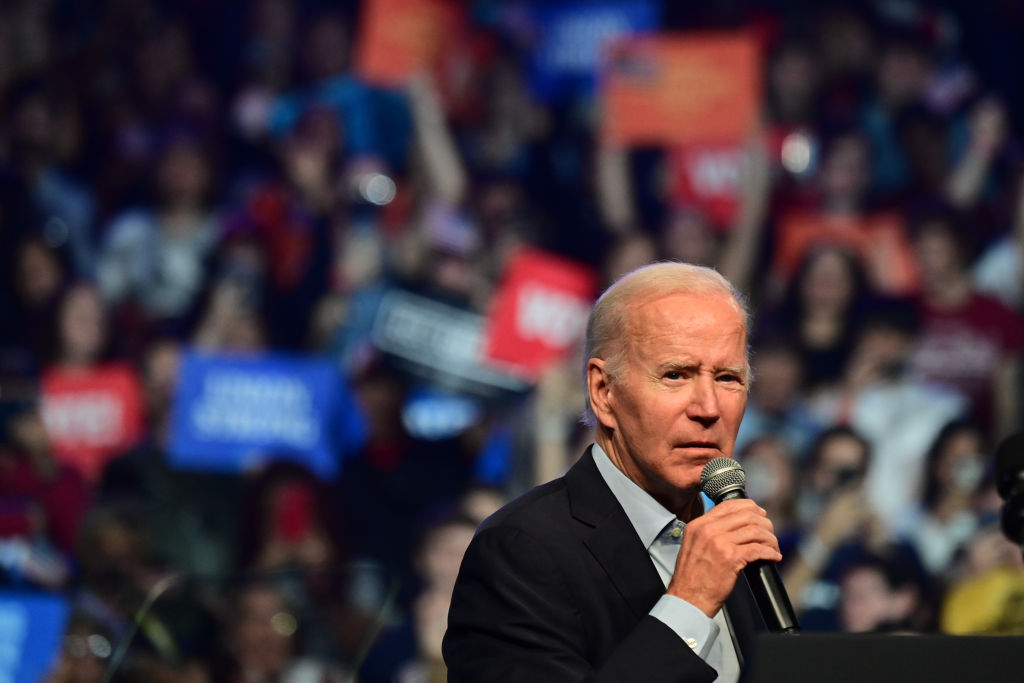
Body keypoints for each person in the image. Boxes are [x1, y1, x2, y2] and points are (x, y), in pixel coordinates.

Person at [444, 262, 780, 681]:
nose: (709, 408)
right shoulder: (520, 550)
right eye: (676, 375)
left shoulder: (734, 543)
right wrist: (690, 602)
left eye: (728, 378)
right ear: (604, 392)